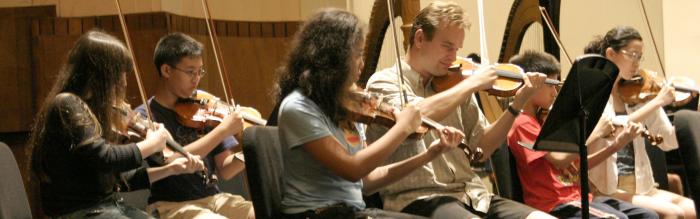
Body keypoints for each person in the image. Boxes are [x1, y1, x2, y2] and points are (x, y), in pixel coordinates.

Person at [364, 1, 554, 218]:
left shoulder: (454, 84)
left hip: (473, 196)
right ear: (419, 39)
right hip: (421, 199)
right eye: (447, 46)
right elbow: (414, 116)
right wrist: (470, 85)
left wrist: (516, 105)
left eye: (457, 49)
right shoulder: (384, 82)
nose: (454, 58)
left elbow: (482, 147)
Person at [274, 8, 465, 219]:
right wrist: (403, 128)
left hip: (352, 212)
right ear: (332, 59)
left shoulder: (344, 106)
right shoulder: (297, 107)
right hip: (317, 214)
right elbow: (353, 169)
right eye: (357, 55)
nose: (362, 64)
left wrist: (430, 154)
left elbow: (367, 180)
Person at [28, 30, 203, 218]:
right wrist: (152, 144)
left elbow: (120, 178)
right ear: (101, 74)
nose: (124, 82)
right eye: (119, 73)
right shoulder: (66, 103)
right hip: (79, 213)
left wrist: (170, 169)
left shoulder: (93, 110)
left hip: (105, 208)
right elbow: (106, 158)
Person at [506, 50, 658, 219]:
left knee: (648, 216)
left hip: (578, 199)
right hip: (554, 205)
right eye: (550, 84)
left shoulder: (543, 121)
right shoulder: (522, 123)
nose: (555, 93)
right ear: (532, 83)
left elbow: (578, 168)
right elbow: (560, 160)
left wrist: (617, 145)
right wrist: (594, 132)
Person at [137, 32, 254, 219]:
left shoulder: (203, 107)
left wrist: (252, 147)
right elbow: (171, 159)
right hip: (171, 205)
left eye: (200, 71)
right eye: (191, 71)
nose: (197, 79)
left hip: (215, 199)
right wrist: (223, 129)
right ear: (166, 70)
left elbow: (225, 169)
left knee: (265, 211)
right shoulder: (145, 117)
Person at [585, 26, 696, 219]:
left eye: (640, 56)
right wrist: (658, 101)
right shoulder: (595, 94)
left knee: (691, 208)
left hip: (642, 185)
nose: (637, 63)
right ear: (611, 54)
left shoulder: (638, 95)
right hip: (609, 188)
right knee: (673, 213)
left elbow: (668, 142)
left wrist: (693, 117)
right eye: (633, 55)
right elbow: (614, 126)